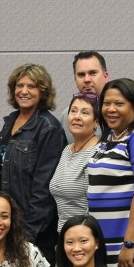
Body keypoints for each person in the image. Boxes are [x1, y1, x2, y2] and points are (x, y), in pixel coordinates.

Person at [86, 78, 134, 267]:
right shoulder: (111, 137)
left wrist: (129, 244)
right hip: (106, 243)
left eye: (119, 104)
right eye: (106, 103)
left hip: (127, 248)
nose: (111, 109)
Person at [0, 63, 65, 266]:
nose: (24, 91)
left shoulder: (48, 128)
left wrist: (25, 237)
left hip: (33, 233)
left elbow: (43, 190)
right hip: (6, 225)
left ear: (42, 92)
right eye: (19, 85)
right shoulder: (10, 122)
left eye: (32, 86)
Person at [49, 94, 101, 235]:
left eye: (84, 112)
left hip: (85, 237)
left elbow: (96, 207)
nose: (77, 116)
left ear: (96, 122)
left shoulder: (99, 153)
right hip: (64, 236)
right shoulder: (67, 150)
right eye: (73, 111)